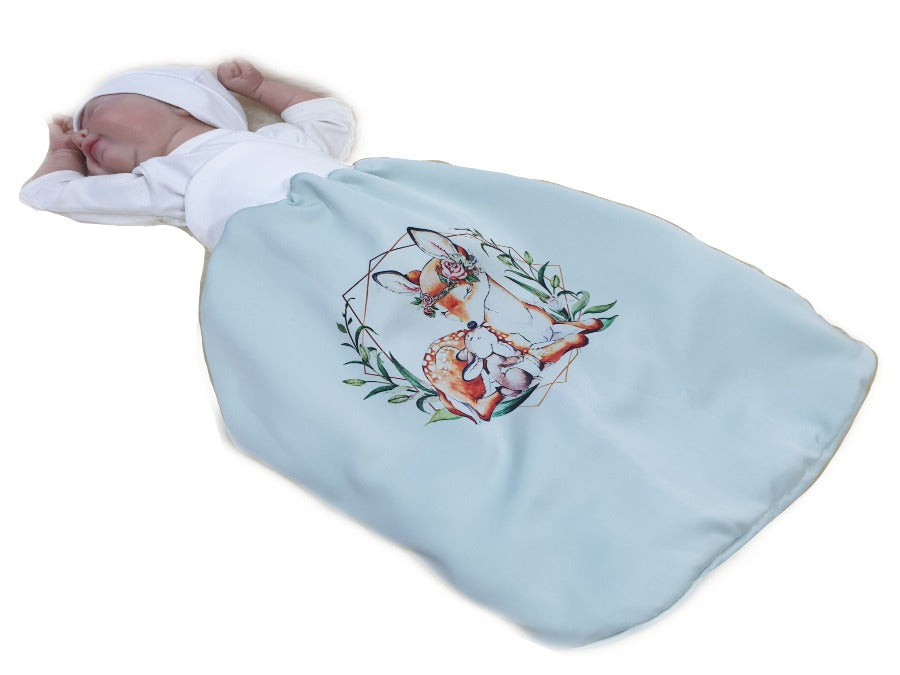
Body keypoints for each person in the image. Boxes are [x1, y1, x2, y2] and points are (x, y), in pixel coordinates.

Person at [20, 59, 355, 249]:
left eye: (94, 113)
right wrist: (63, 151)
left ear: (182, 103)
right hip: (297, 256)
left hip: (359, 209)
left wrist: (260, 89)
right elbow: (49, 193)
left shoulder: (273, 140)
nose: (81, 137)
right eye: (80, 143)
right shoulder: (160, 184)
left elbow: (329, 119)